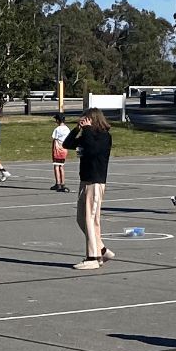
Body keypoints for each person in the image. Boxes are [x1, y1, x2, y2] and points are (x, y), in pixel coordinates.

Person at [69, 108, 113, 269]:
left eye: (86, 119)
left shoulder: (104, 136)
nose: (84, 122)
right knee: (81, 218)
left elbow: (94, 150)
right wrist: (77, 129)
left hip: (96, 181)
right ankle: (101, 249)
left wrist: (87, 130)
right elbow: (68, 144)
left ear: (93, 120)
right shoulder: (87, 135)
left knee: (90, 219)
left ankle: (92, 258)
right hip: (85, 180)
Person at [50, 113, 70, 193]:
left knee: (56, 166)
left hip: (58, 149)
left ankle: (58, 183)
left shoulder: (57, 129)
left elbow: (54, 138)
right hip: (64, 149)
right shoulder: (67, 129)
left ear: (58, 120)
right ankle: (62, 183)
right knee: (61, 166)